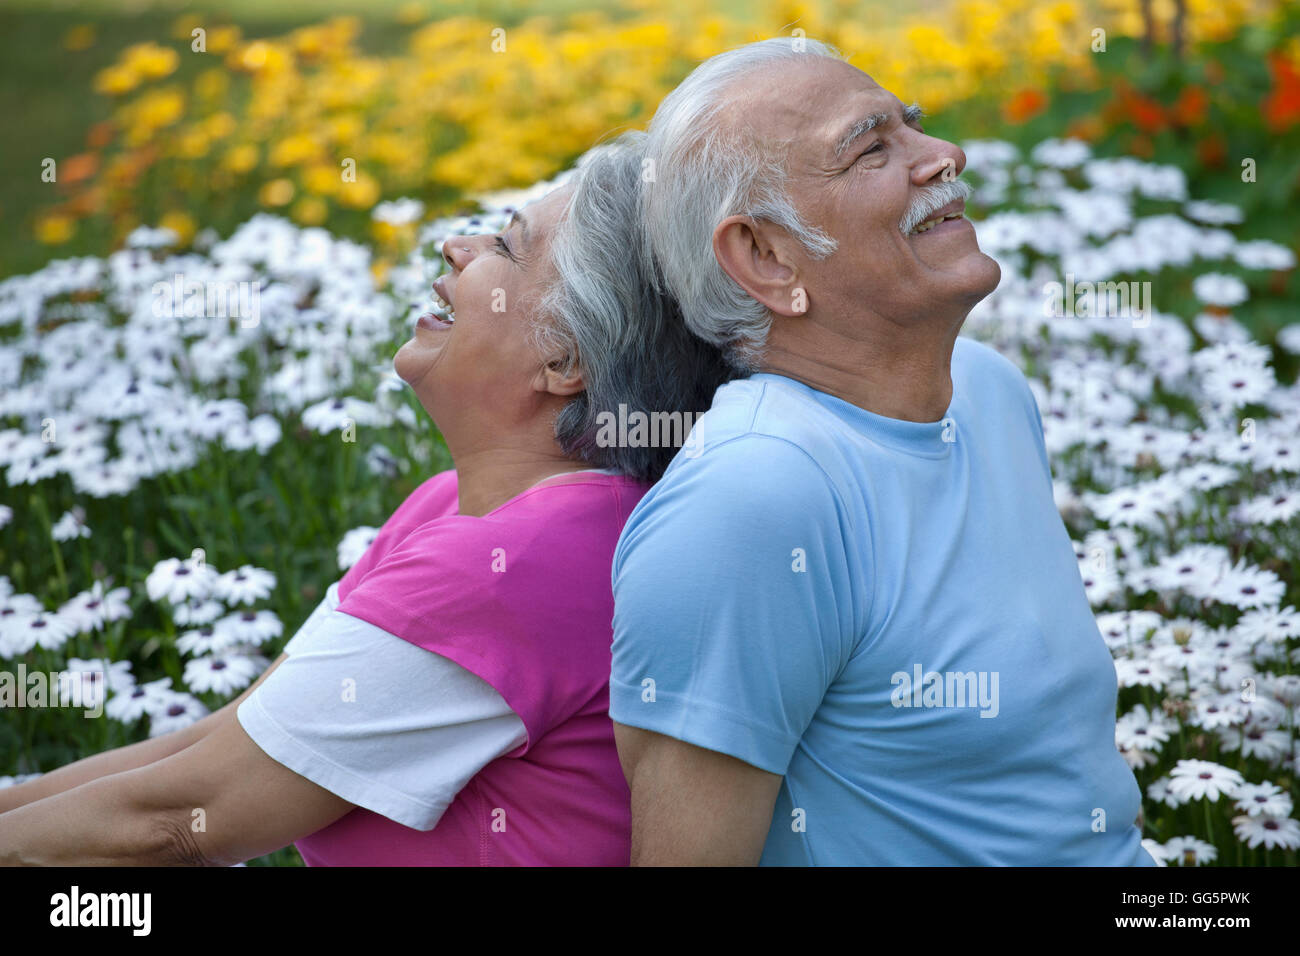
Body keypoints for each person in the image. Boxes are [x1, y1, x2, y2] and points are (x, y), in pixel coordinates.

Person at [0, 141, 732, 866]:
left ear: (566, 362)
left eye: (505, 248)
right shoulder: (459, 505)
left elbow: (181, 823)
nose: (453, 246)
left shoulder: (511, 565)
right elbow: (227, 737)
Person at [607, 38, 1157, 866]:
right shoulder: (754, 497)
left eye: (916, 126)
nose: (945, 156)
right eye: (872, 149)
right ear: (765, 256)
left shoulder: (984, 388)